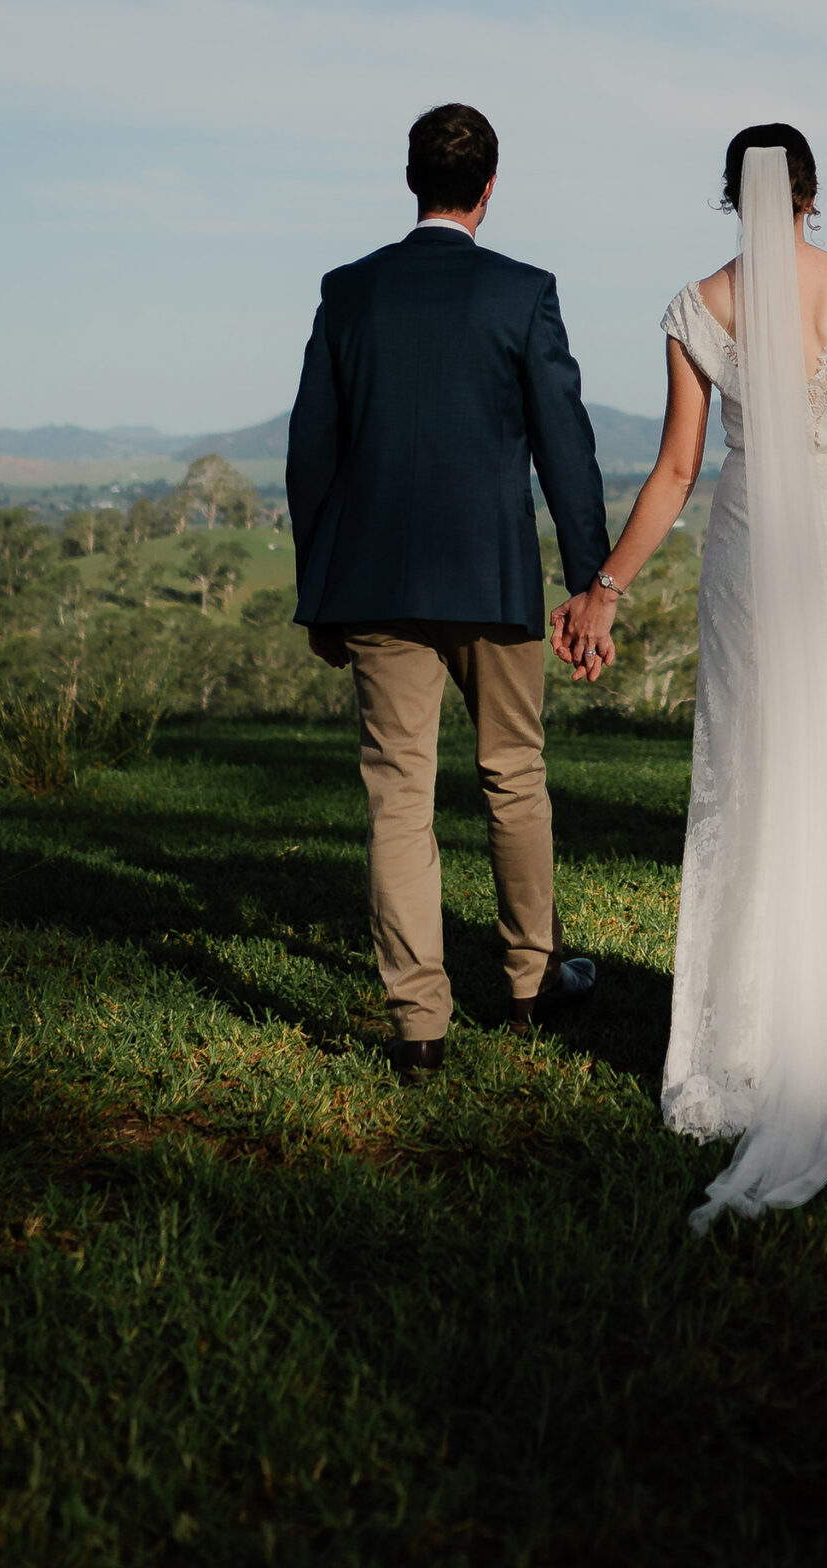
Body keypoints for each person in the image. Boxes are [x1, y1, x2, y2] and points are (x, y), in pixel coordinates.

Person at [553, 124, 827, 1224]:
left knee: (745, 773)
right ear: (812, 195)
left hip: (745, 554)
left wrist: (606, 586)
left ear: (733, 196)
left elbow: (677, 466)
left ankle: (736, 1039)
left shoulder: (695, 306)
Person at [288, 102, 608, 1083]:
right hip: (492, 577)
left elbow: (312, 456)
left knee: (398, 794)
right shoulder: (523, 293)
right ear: (490, 186)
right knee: (513, 774)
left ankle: (419, 1023)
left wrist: (321, 590)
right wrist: (591, 578)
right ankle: (529, 981)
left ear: (412, 179)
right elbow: (565, 443)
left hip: (376, 584)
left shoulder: (349, 293)